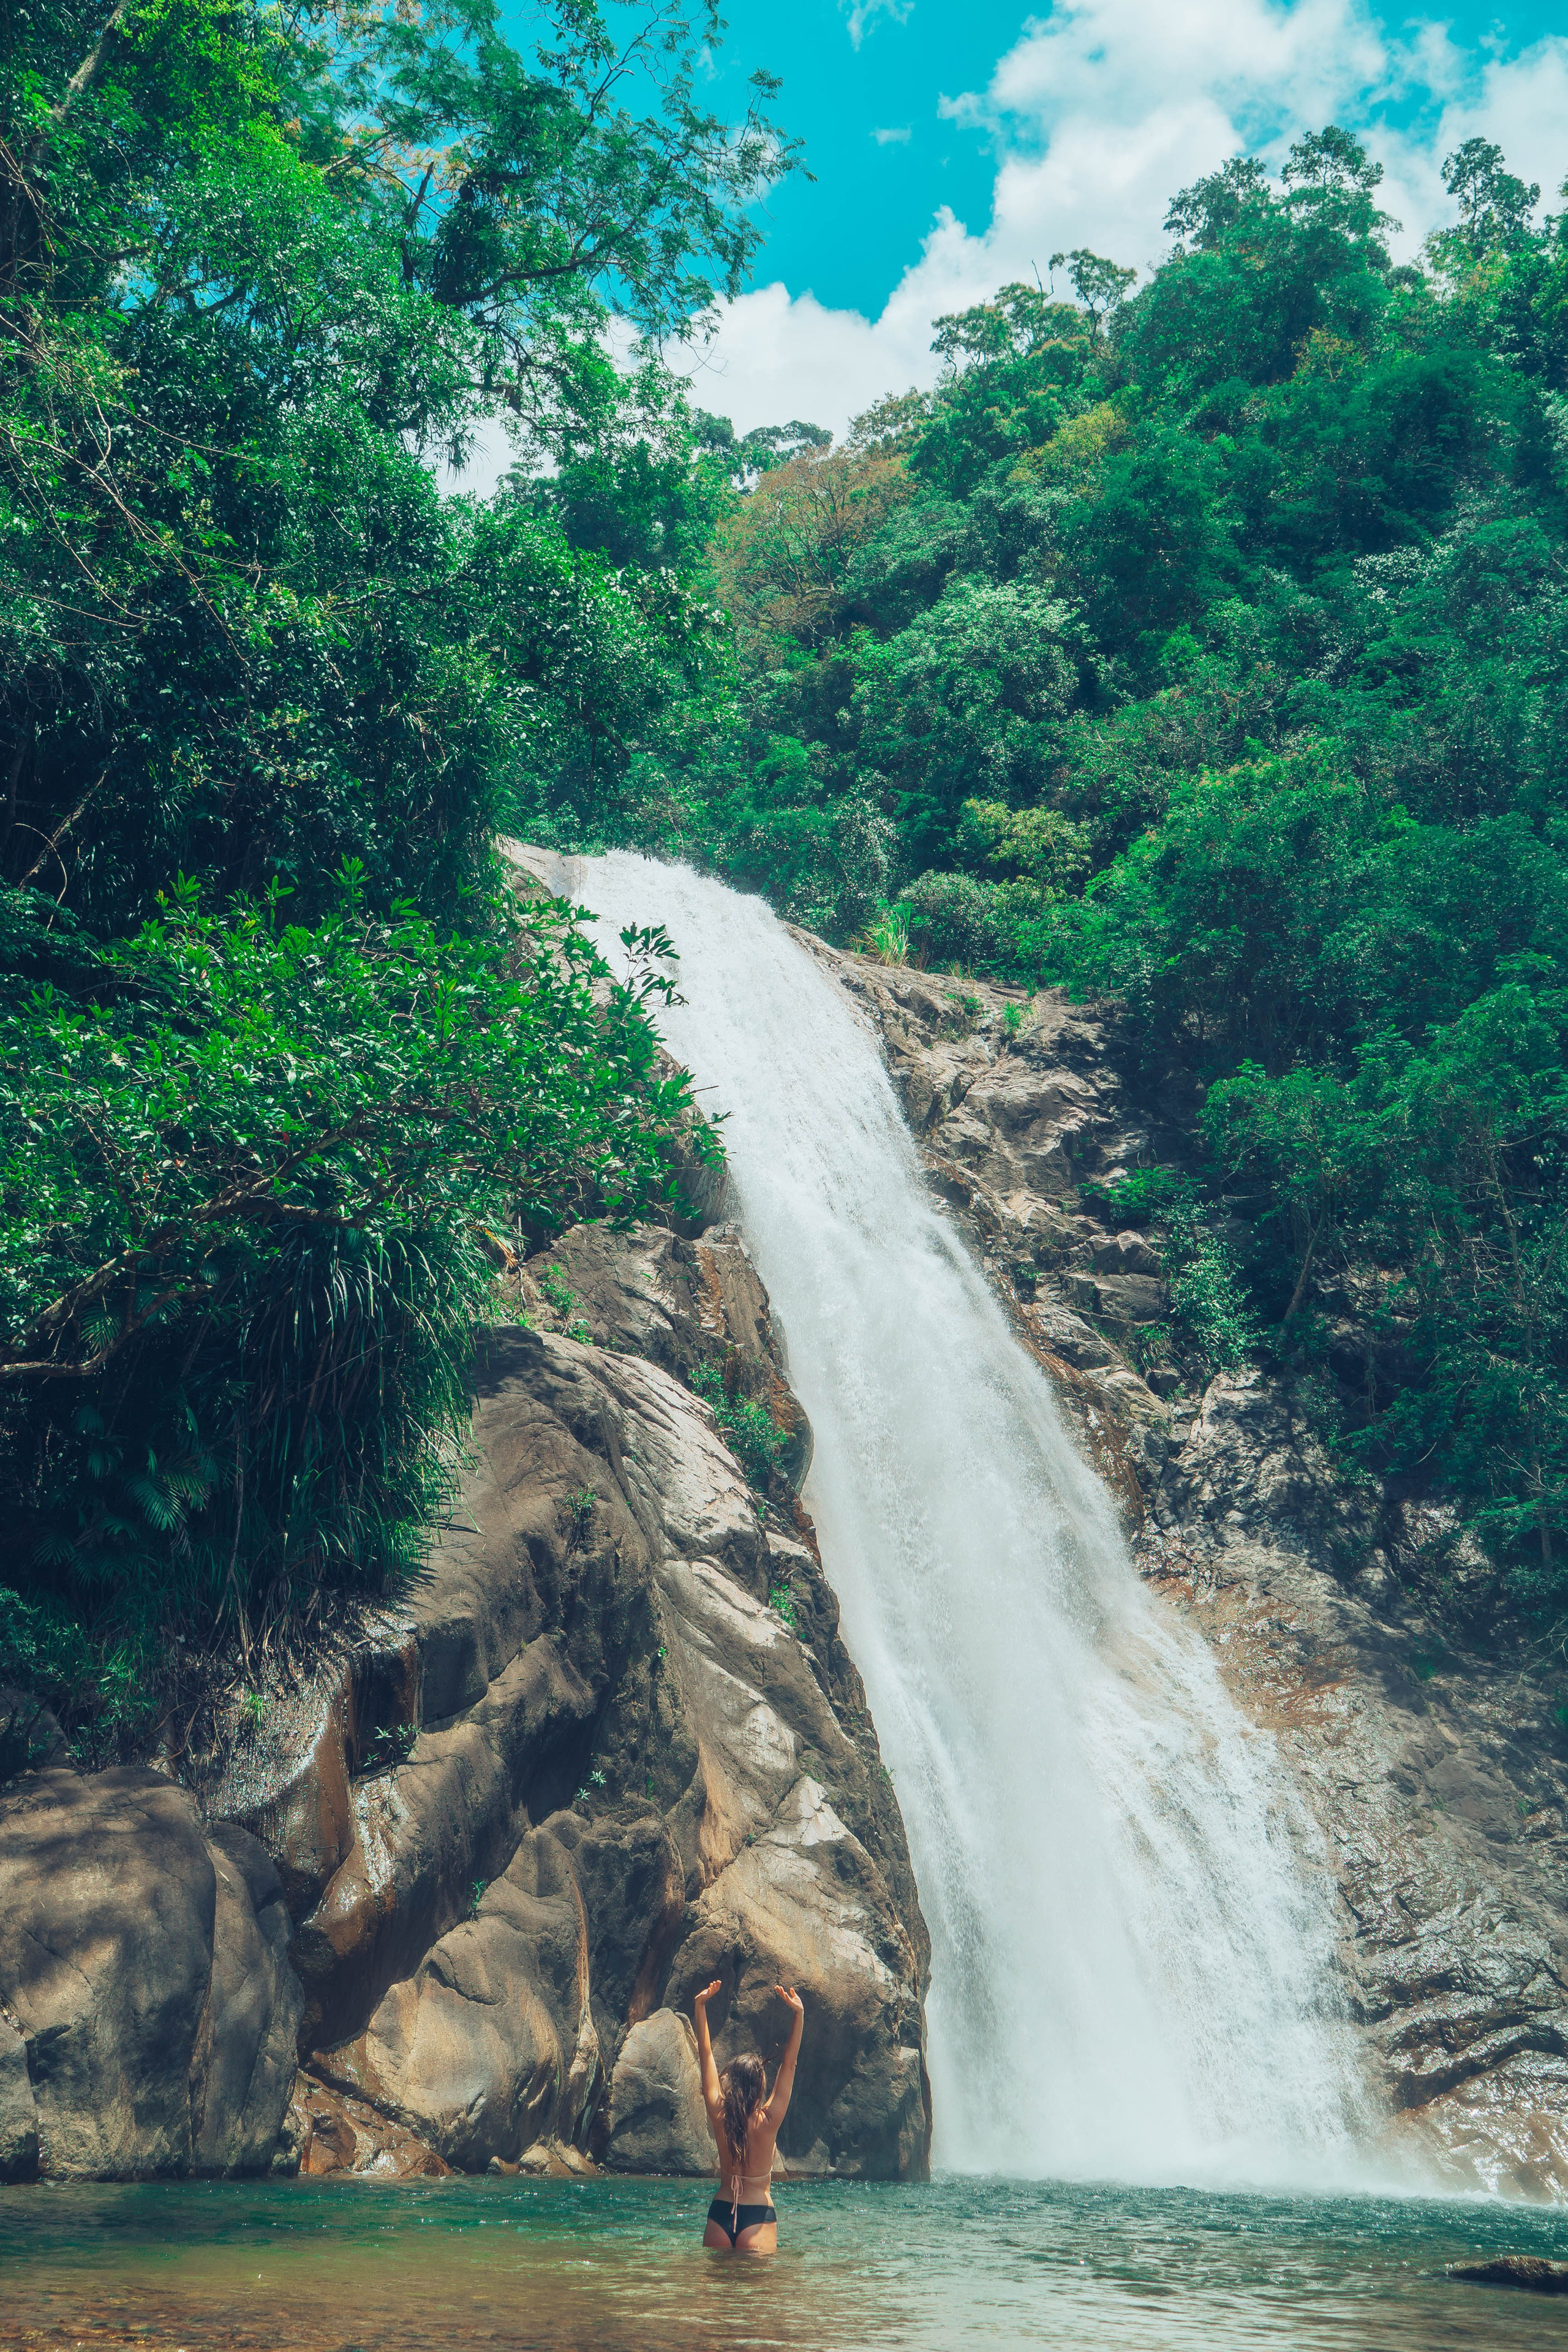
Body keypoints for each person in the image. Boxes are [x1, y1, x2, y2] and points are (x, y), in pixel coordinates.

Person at [692, 1978, 804, 2254]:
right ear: (759, 2086)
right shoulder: (768, 2122)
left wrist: (700, 2006)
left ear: (733, 2083)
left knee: (715, 2283)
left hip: (720, 2213)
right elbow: (789, 2064)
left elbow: (706, 2055)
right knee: (756, 2285)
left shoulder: (720, 2114)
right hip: (757, 2215)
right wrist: (799, 2015)